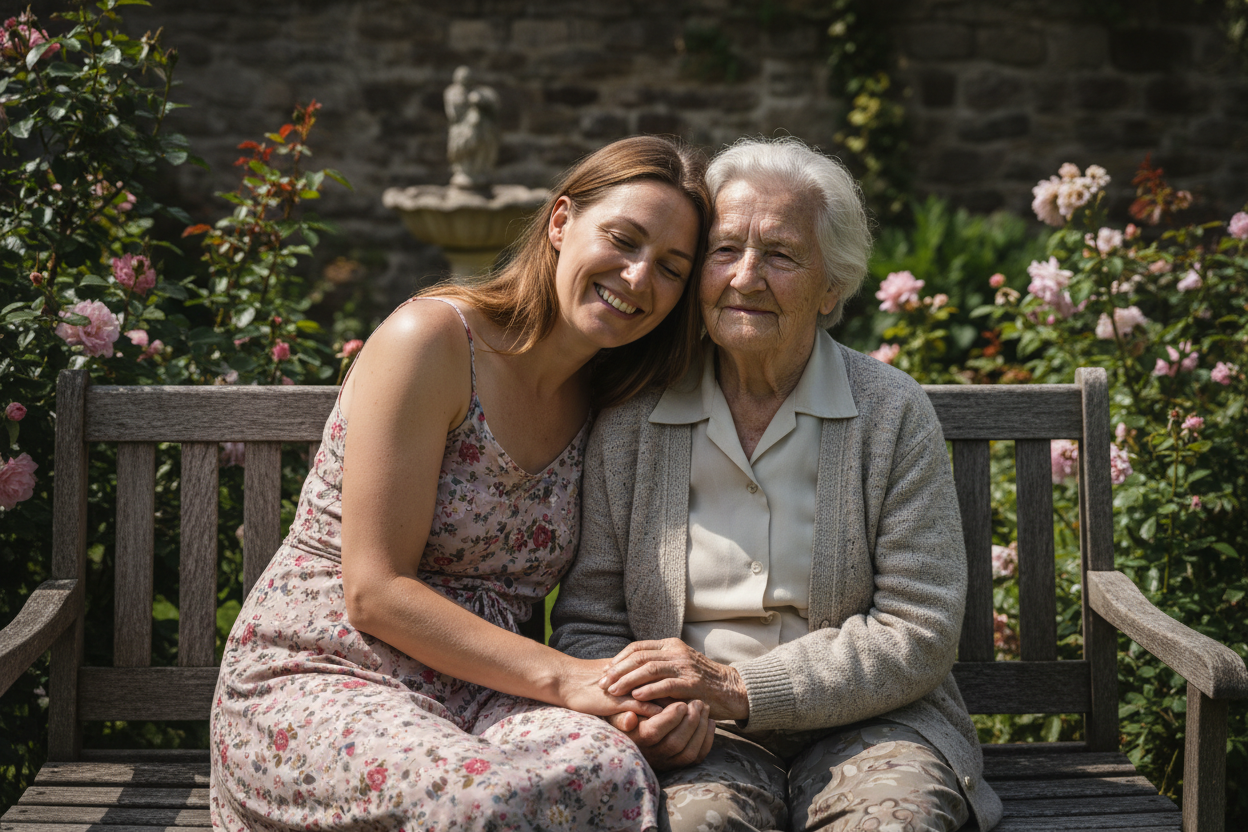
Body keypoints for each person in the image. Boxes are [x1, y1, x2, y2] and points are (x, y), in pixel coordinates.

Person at [210, 135, 712, 832]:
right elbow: (375, 591)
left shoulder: (610, 402)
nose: (637, 276)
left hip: (482, 692)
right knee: (476, 799)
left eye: (671, 267)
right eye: (623, 240)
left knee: (611, 769)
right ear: (561, 222)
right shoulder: (434, 340)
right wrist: (569, 681)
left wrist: (639, 705)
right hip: (328, 672)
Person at [551, 136, 1004, 832]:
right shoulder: (634, 418)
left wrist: (738, 687)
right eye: (725, 251)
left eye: (782, 255)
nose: (746, 277)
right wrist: (643, 710)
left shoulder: (888, 411)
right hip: (701, 737)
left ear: (833, 286)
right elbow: (591, 621)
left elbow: (919, 628)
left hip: (877, 725)